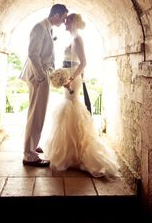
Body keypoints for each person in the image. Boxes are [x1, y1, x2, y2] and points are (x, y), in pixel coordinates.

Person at [44, 13, 119, 180]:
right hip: (69, 75)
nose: (64, 23)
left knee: (72, 107)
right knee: (68, 108)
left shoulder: (78, 39)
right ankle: (69, 151)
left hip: (73, 77)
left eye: (67, 21)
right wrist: (62, 75)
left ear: (73, 22)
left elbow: (84, 62)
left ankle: (77, 153)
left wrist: (70, 78)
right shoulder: (72, 38)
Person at [20, 4, 68, 167]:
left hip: (41, 74)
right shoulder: (40, 27)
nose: (63, 21)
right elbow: (33, 54)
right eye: (63, 17)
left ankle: (32, 145)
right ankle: (29, 156)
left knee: (37, 113)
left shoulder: (47, 28)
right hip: (37, 76)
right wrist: (42, 77)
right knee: (36, 114)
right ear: (56, 15)